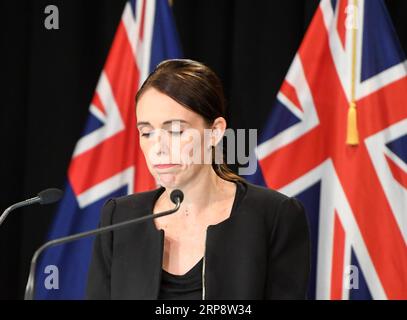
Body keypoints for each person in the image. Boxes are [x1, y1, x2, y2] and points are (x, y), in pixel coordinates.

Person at [86, 59, 310, 300]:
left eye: (175, 130)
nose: (157, 148)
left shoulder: (275, 216)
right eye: (147, 132)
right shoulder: (120, 218)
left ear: (215, 132)